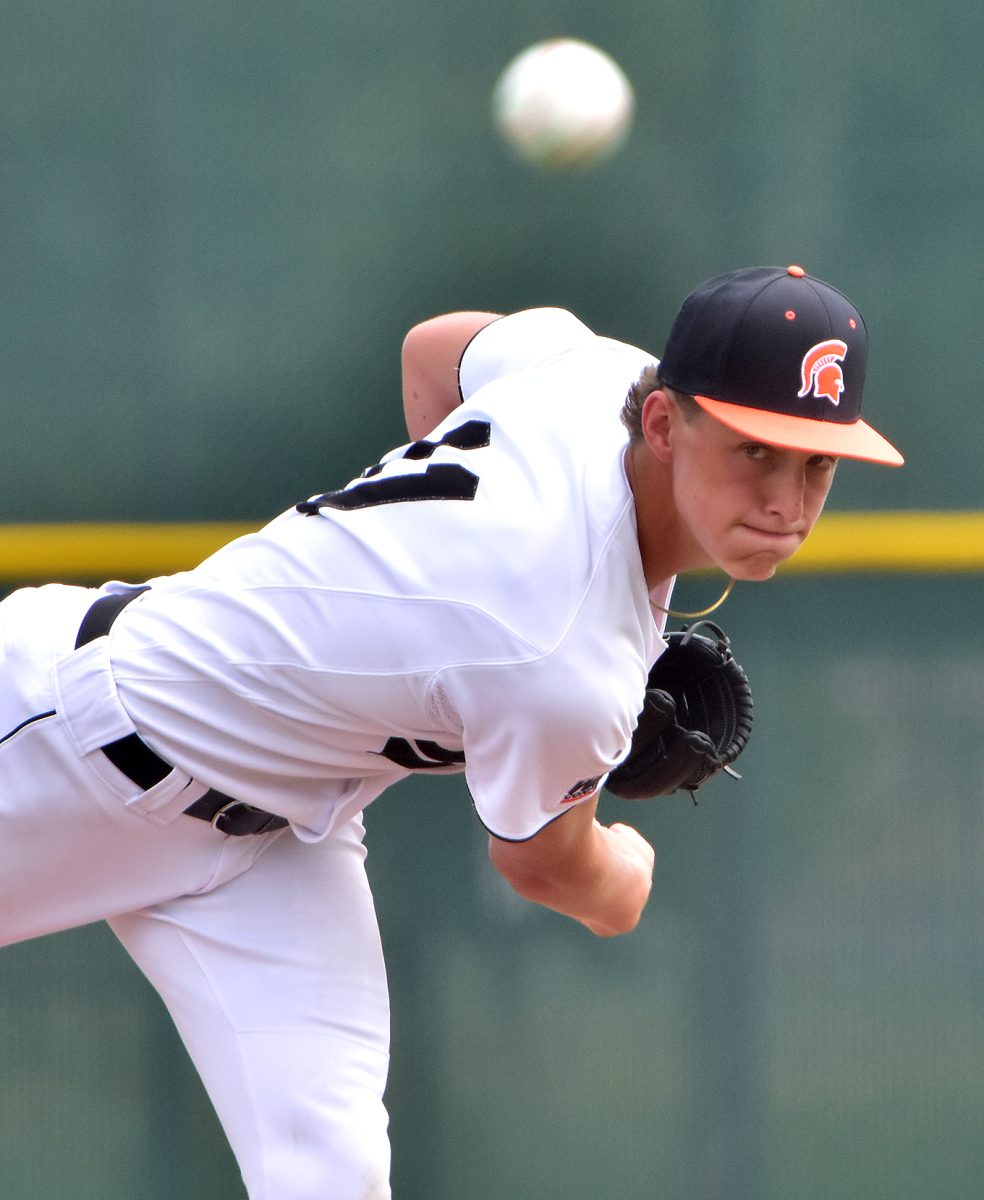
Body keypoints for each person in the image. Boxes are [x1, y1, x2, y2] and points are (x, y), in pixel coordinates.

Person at [0, 264, 903, 1199]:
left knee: (332, 1178)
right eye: (756, 450)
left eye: (817, 463)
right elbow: (549, 867)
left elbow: (432, 350)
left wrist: (436, 587)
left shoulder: (587, 368)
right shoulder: (560, 655)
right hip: (72, 734)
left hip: (282, 837)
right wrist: (625, 878)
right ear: (668, 424)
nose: (786, 504)